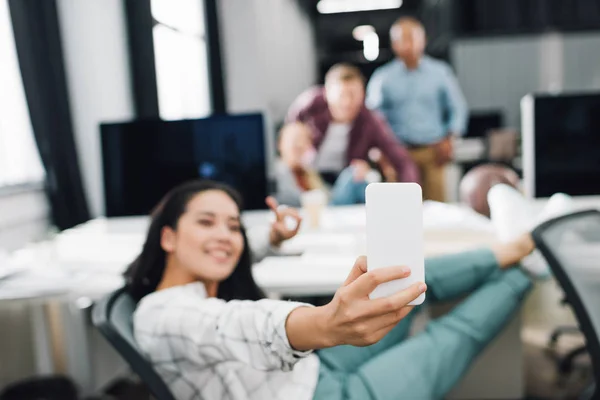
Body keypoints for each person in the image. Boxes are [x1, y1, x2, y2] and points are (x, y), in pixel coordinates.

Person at [128, 179, 574, 400]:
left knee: (407, 277)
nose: (225, 236)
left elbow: (232, 252)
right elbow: (232, 324)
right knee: (451, 335)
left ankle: (516, 245)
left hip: (306, 372)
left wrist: (271, 239)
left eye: (233, 226)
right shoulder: (163, 315)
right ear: (167, 236)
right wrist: (322, 321)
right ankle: (530, 260)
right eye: (206, 223)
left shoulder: (199, 277)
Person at [366, 17, 468, 202]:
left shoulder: (440, 72)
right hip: (398, 154)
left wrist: (450, 138)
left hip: (433, 153)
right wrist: (380, 148)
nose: (408, 44)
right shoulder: (382, 78)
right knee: (401, 209)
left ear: (423, 41)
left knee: (436, 210)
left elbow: (458, 108)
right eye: (402, 39)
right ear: (394, 44)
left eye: (413, 38)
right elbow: (373, 118)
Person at [286, 63, 419, 186]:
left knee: (361, 179)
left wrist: (410, 193)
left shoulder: (370, 120)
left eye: (354, 95)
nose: (347, 102)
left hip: (345, 178)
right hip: (310, 173)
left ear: (362, 95)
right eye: (342, 95)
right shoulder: (310, 103)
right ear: (327, 93)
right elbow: (288, 131)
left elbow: (400, 159)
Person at [274, 121, 375, 207]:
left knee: (357, 179)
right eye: (294, 139)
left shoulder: (307, 171)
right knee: (351, 174)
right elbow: (294, 200)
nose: (299, 144)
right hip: (321, 209)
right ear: (280, 144)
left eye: (304, 140)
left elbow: (326, 193)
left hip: (325, 207)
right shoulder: (278, 172)